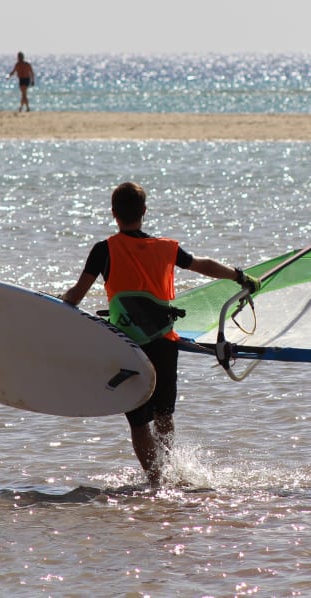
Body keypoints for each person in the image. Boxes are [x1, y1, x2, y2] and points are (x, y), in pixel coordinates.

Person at [61, 181, 260, 486]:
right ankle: (166, 472)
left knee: (139, 423)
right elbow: (202, 265)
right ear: (144, 212)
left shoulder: (104, 251)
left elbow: (76, 296)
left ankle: (155, 483)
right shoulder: (167, 248)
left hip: (127, 346)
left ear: (114, 214)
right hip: (164, 345)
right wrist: (240, 276)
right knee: (165, 415)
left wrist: (59, 303)